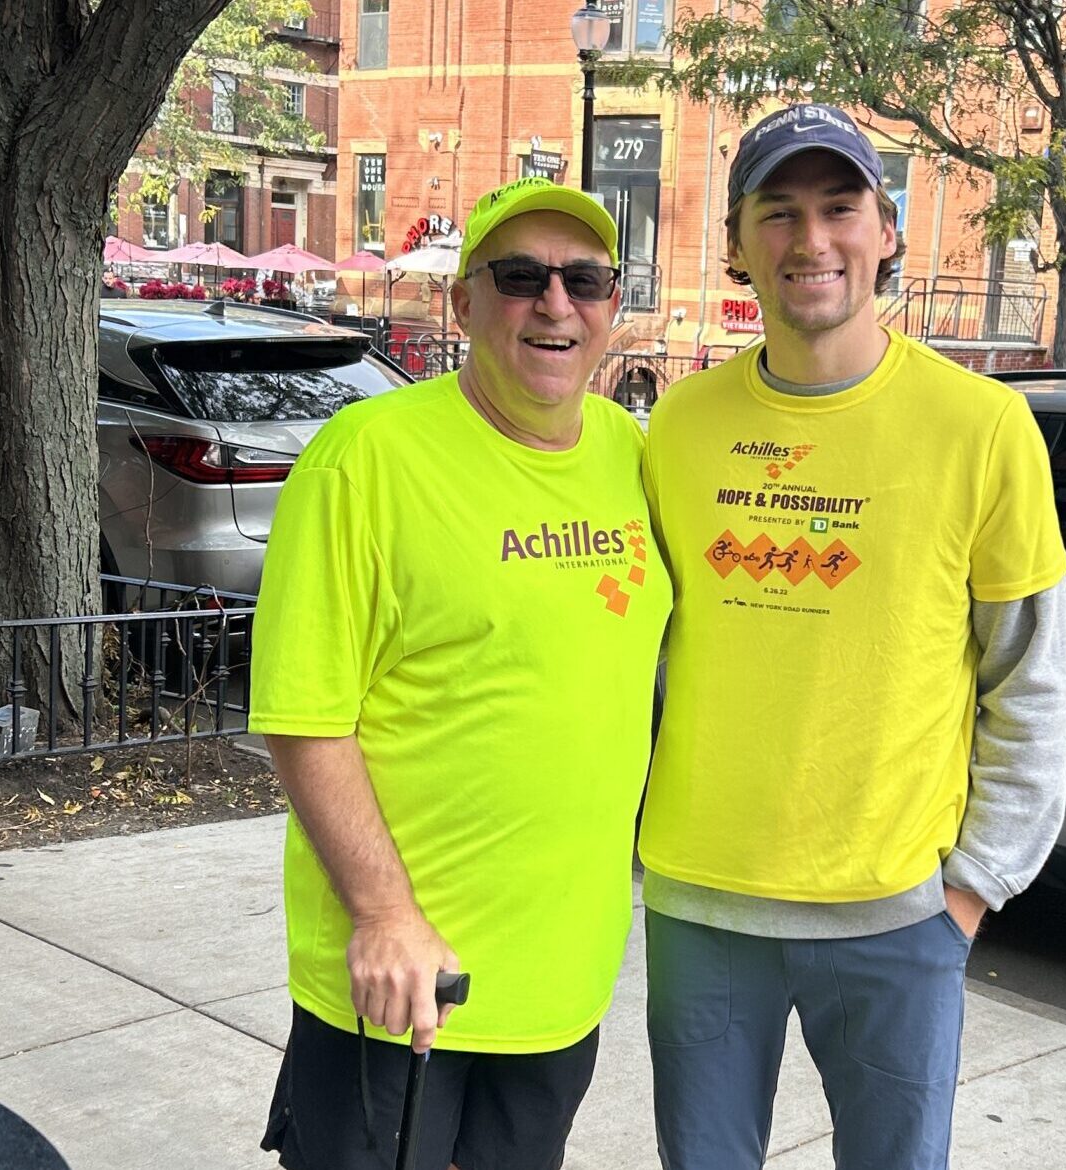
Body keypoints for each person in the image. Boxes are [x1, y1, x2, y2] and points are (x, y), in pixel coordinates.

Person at [639, 104, 1066, 1170]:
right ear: (737, 244)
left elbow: (1032, 676)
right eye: (777, 213)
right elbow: (638, 655)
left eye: (840, 208)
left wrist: (969, 892)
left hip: (896, 915)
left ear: (888, 230)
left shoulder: (982, 428)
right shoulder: (677, 430)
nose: (811, 240)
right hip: (702, 906)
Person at [250, 176, 672, 1170]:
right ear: (462, 303)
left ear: (613, 303)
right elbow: (305, 716)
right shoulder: (367, 458)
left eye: (586, 279)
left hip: (562, 982)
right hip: (405, 983)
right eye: (519, 276)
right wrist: (384, 915)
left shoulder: (630, 453)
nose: (555, 303)